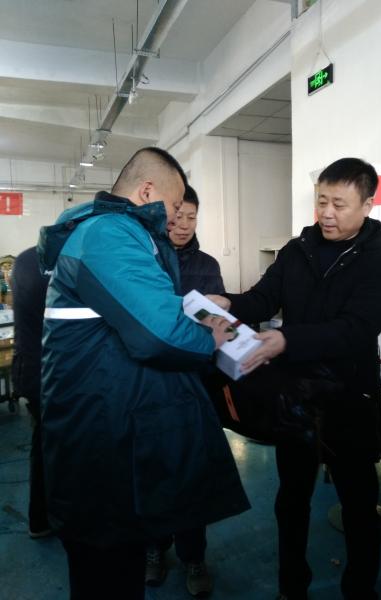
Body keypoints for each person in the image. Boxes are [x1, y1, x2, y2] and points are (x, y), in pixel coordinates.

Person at [38, 147, 250, 600]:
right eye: (173, 206)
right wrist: (210, 337)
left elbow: (134, 311)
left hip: (107, 427)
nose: (174, 219)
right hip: (98, 442)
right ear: (147, 191)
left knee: (119, 564)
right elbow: (159, 335)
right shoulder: (109, 234)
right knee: (107, 575)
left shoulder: (107, 233)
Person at [208, 158, 381, 600]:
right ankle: (292, 588)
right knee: (291, 500)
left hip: (350, 400)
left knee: (358, 506)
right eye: (321, 201)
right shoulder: (297, 250)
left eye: (339, 204)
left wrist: (286, 340)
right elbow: (263, 298)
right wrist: (230, 304)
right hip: (294, 399)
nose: (327, 213)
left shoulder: (379, 263)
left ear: (367, 205)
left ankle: (360, 591)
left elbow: (357, 328)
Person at [145, 184, 225, 597]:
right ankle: (155, 549)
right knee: (155, 472)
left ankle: (194, 557)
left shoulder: (208, 266)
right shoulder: (147, 260)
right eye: (178, 217)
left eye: (191, 218)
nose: (183, 225)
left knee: (193, 475)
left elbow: (217, 326)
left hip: (196, 384)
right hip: (153, 385)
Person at [10, 246, 51, 538]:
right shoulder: (59, 265)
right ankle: (48, 518)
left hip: (29, 369)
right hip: (47, 374)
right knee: (52, 445)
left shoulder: (25, 259)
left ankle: (41, 519)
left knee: (43, 442)